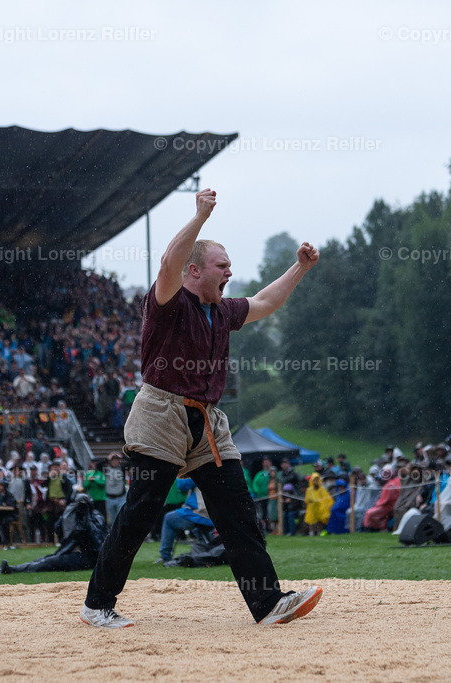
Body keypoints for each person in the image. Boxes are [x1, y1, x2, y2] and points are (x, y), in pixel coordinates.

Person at [81, 189, 322, 629]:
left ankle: (268, 603)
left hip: (208, 419)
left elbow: (265, 302)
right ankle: (97, 605)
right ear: (194, 271)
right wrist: (199, 217)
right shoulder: (168, 302)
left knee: (237, 511)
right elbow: (167, 263)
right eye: (221, 265)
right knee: (140, 512)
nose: (230, 271)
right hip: (161, 414)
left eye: (229, 265)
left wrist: (300, 268)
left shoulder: (222, 310)